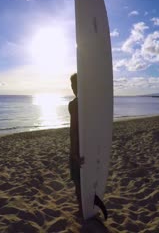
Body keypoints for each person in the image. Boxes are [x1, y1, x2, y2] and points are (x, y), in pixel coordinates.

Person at [68, 73, 84, 216]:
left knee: (78, 180)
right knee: (88, 178)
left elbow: (74, 130)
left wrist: (74, 152)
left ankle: (81, 209)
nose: (72, 88)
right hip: (90, 146)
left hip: (78, 147)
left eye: (73, 85)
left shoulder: (74, 104)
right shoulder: (92, 103)